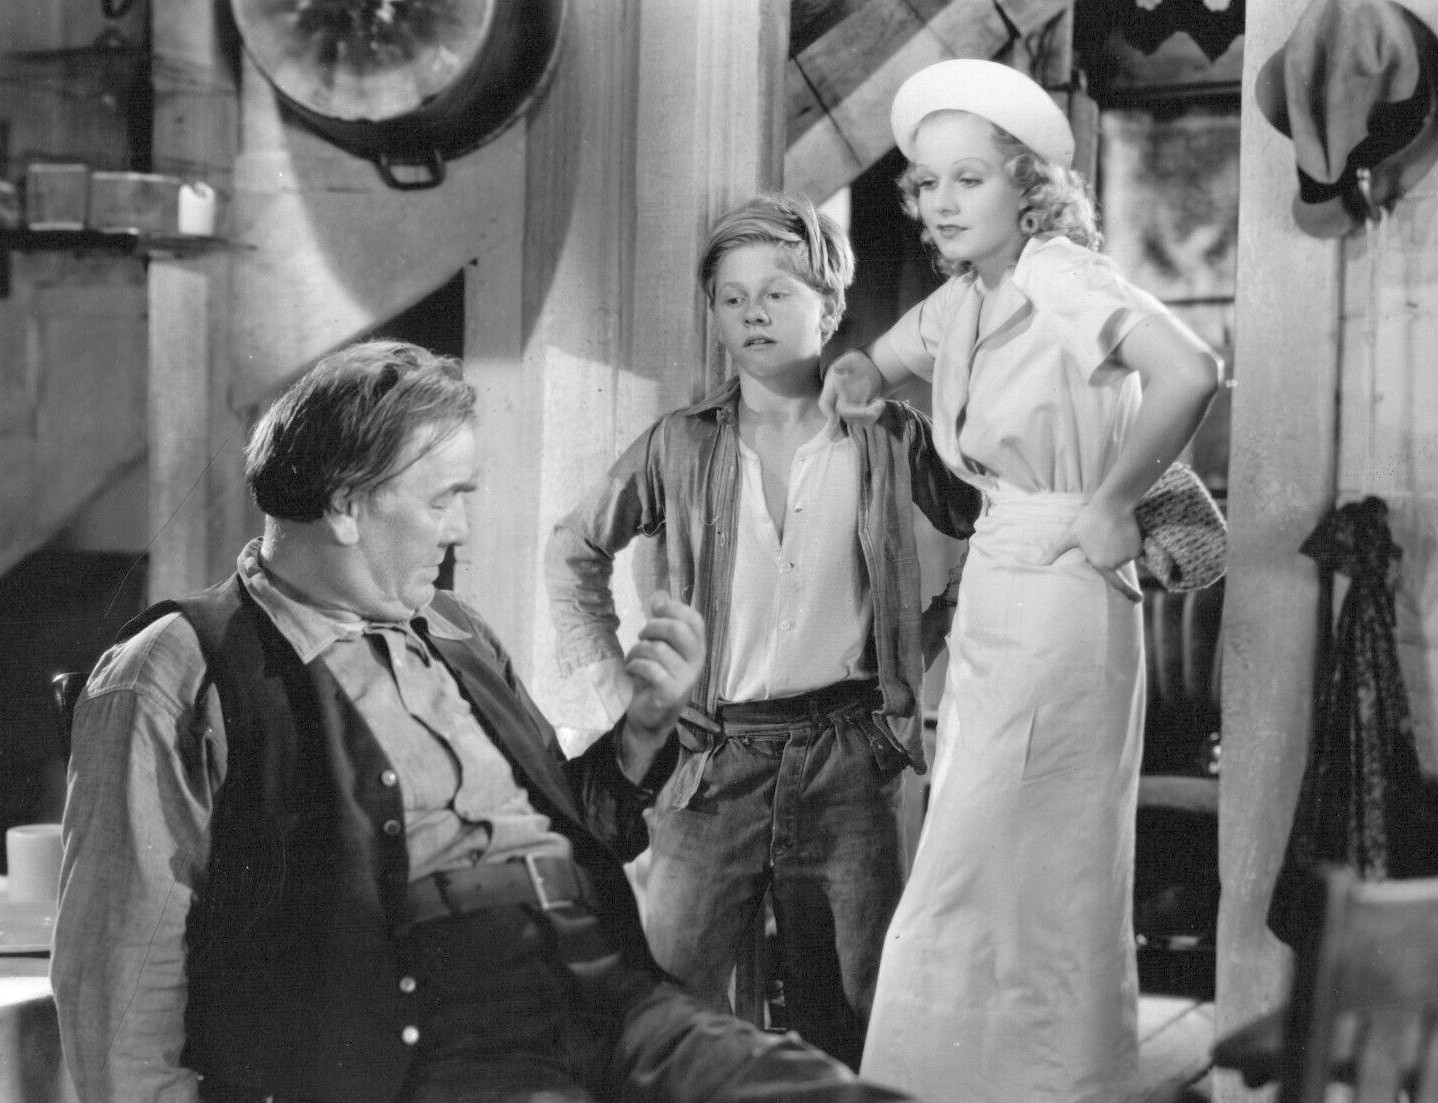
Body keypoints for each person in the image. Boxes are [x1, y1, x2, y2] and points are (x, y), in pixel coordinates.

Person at [51, 339, 910, 1103]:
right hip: (439, 1040)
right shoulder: (177, 667)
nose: (460, 529)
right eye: (442, 500)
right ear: (345, 506)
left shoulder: (456, 630)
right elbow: (120, 983)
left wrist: (645, 729)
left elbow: (580, 830)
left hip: (610, 1000)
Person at [819, 60, 1222, 1103]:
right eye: (927, 183)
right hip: (1002, 583)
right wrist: (859, 371)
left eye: (970, 179)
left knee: (1014, 858)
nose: (942, 203)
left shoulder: (1061, 276)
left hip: (1064, 589)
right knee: (992, 856)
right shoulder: (967, 296)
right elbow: (887, 356)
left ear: (1029, 187)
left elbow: (1191, 370)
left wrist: (1114, 500)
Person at [546, 193, 980, 1070]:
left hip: (850, 760)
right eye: (732, 297)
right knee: (666, 1014)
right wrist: (621, 692)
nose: (752, 313)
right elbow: (572, 551)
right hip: (709, 762)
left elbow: (993, 517)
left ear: (829, 306)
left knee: (853, 1018)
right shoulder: (679, 443)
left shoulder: (890, 435)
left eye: (778, 292)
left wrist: (929, 634)